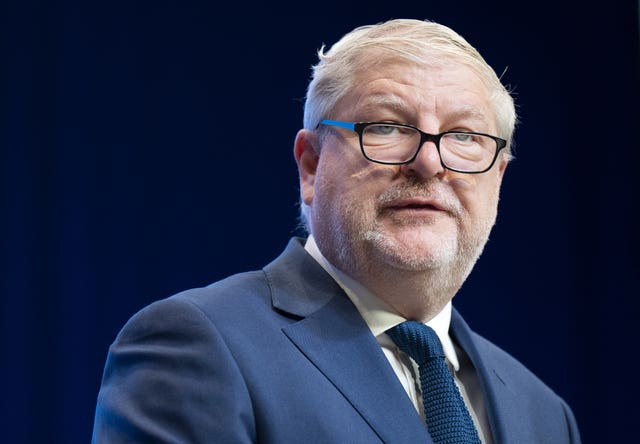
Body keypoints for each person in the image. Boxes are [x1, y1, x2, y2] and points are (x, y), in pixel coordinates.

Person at [92, 18, 581, 443]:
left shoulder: (545, 414)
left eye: (464, 136)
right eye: (388, 127)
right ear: (311, 166)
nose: (430, 162)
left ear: (497, 178)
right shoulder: (197, 346)